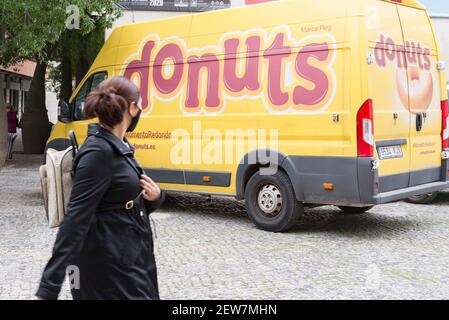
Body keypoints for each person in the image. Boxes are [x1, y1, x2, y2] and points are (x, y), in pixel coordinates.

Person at [36, 76, 164, 300]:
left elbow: (114, 203)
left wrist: (154, 199)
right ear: (132, 108)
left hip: (128, 258)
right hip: (109, 267)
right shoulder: (98, 152)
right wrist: (48, 289)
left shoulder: (119, 146)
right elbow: (75, 218)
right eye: (140, 106)